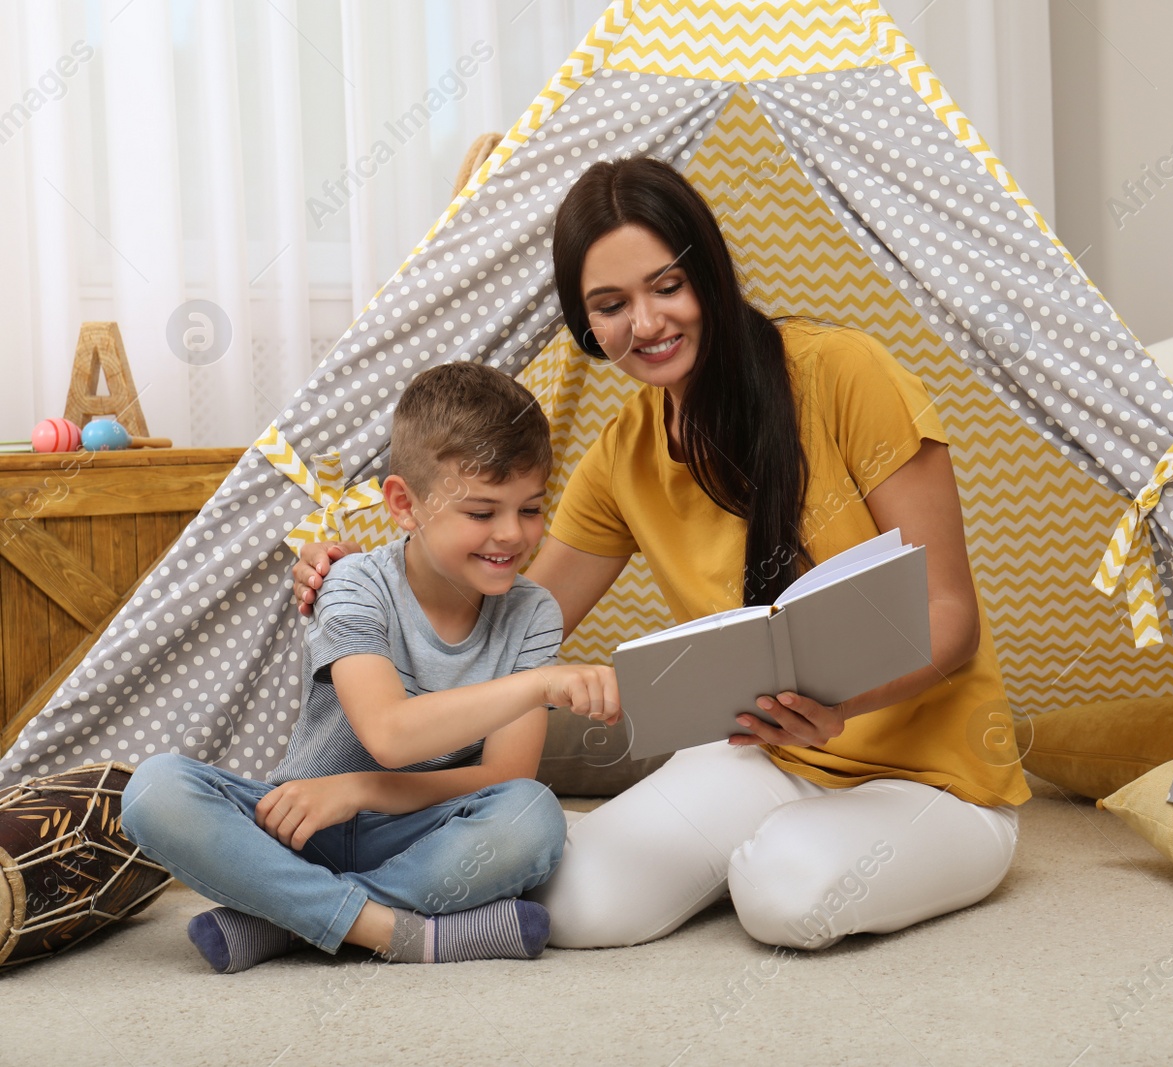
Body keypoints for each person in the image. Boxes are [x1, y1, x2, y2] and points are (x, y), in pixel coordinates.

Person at [293, 155, 1029, 951]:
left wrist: (842, 710)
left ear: (708, 273)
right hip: (761, 760)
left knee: (782, 893)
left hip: (934, 781)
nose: (644, 325)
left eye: (666, 286)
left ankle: (783, 849)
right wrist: (371, 581)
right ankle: (307, 905)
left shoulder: (845, 373)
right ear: (587, 324)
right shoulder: (625, 453)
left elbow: (949, 618)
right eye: (610, 306)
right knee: (566, 900)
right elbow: (497, 623)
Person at [123, 362, 619, 973]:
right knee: (154, 789)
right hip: (304, 824)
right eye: (482, 512)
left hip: (421, 835)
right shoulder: (354, 581)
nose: (512, 535)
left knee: (531, 814)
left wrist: (358, 791)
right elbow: (389, 734)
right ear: (405, 505)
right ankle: (397, 929)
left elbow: (506, 777)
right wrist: (539, 685)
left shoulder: (532, 611)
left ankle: (287, 923)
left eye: (531, 509)